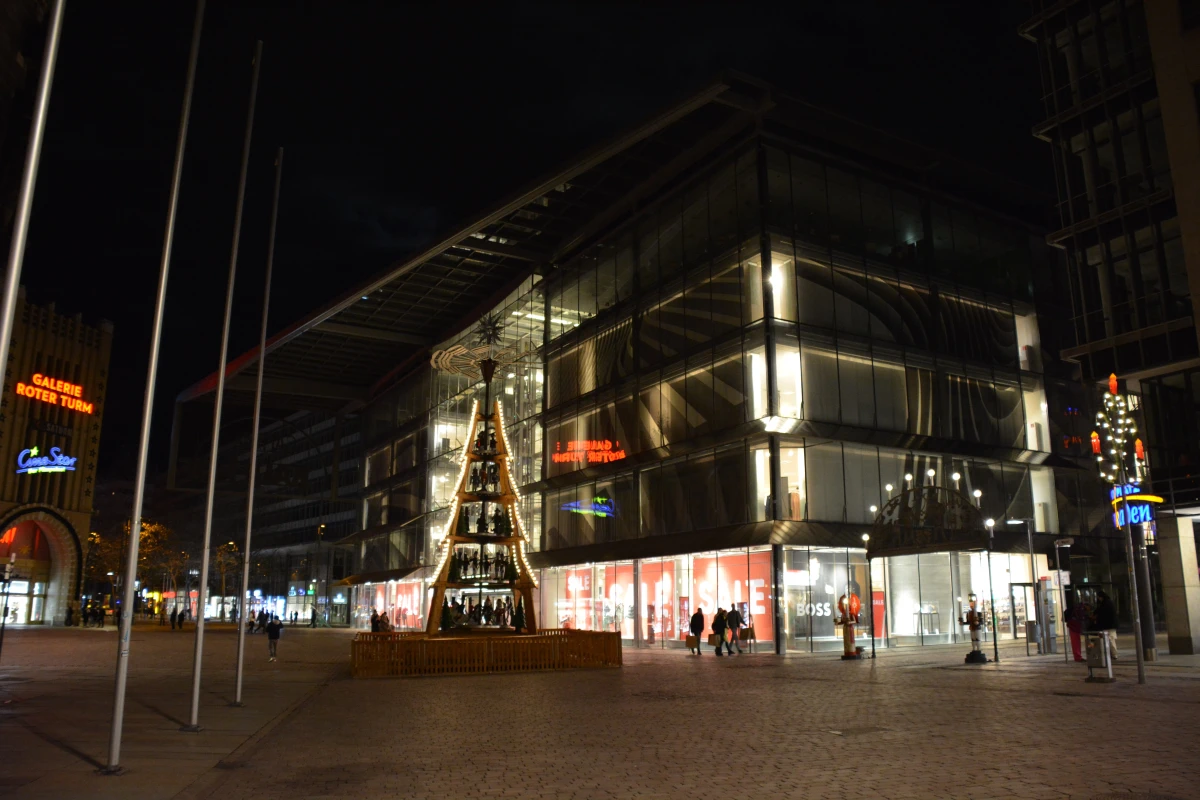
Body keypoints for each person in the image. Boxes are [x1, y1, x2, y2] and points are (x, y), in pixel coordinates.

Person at [1092, 590, 1119, 660]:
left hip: (1109, 626)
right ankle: (1112, 654)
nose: (1098, 599)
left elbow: (1101, 613)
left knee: (1110, 640)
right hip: (1108, 625)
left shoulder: (1106, 604)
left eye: (1099, 597)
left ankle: (1114, 654)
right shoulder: (1107, 603)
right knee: (1109, 640)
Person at [1065, 592, 1086, 662]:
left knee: (1076, 642)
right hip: (1074, 626)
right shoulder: (1079, 608)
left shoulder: (1075, 608)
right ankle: (1077, 657)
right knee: (1076, 642)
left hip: (1073, 626)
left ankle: (1078, 656)